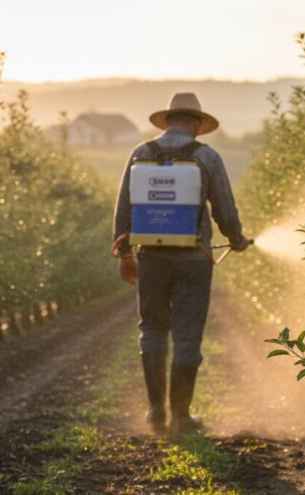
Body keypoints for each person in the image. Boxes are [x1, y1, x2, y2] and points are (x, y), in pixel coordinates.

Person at [112, 93, 251, 435]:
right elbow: (224, 209)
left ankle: (156, 412)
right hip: (194, 260)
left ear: (169, 120)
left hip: (152, 259)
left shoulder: (141, 153)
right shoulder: (207, 156)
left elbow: (124, 209)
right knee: (188, 336)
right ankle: (181, 417)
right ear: (196, 123)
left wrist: (125, 255)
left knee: (153, 330)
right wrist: (236, 238)